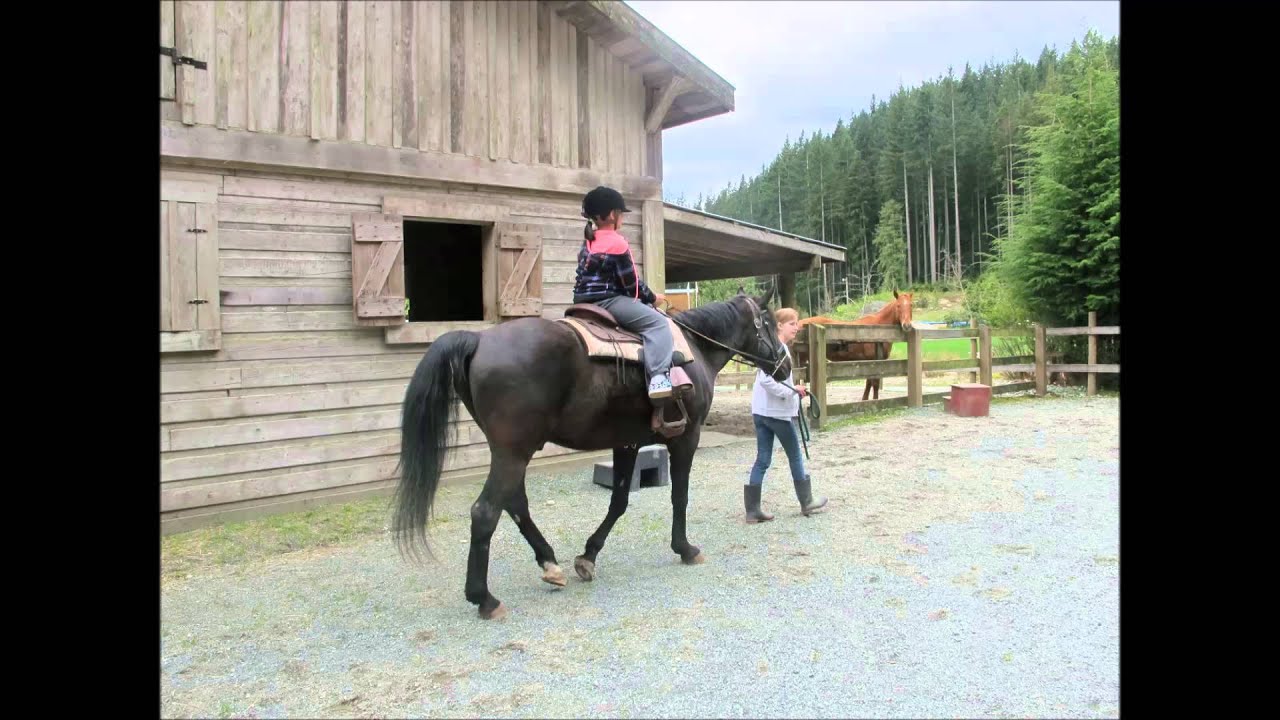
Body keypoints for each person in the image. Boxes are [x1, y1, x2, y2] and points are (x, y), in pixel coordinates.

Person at [572, 186, 674, 399]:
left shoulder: (588, 241)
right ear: (611, 215)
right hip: (609, 302)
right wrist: (653, 298)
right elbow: (632, 285)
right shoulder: (618, 242)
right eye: (621, 214)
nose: (623, 219)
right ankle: (657, 378)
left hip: (581, 303)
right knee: (659, 324)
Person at [744, 307, 828, 522]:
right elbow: (766, 380)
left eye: (796, 323)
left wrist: (791, 390)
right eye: (792, 323)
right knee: (795, 456)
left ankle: (753, 511)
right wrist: (791, 392)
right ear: (779, 325)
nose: (797, 327)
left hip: (762, 411)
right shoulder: (775, 349)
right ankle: (806, 501)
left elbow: (769, 380)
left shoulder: (775, 348)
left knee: (762, 459)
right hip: (776, 413)